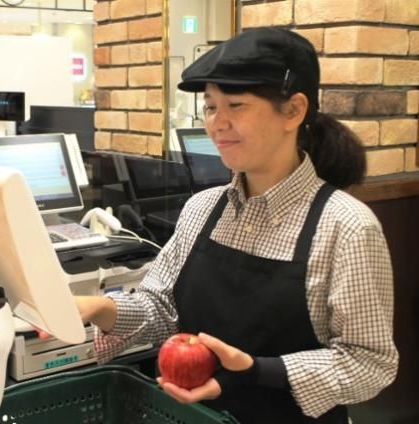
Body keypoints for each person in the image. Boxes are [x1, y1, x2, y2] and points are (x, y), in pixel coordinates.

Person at [76, 28, 398, 423]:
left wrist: (257, 371)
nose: (217, 123)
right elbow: (160, 307)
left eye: (236, 105)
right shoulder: (202, 209)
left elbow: (370, 362)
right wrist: (96, 308)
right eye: (210, 107)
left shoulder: (345, 226)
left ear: (294, 111)